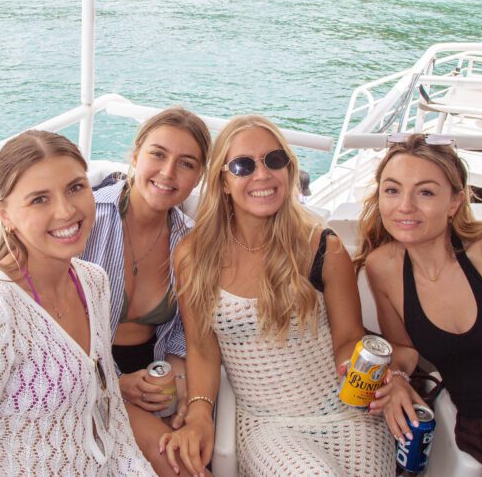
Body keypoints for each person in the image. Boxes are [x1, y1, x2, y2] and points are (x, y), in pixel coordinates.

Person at [159, 115, 395, 477]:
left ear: (288, 169)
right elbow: (202, 349)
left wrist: (375, 373)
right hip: (269, 424)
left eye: (274, 160)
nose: (262, 175)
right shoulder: (194, 255)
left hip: (347, 413)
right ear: (223, 181)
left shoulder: (323, 247)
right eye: (242, 165)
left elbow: (348, 338)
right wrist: (199, 413)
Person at [0, 130, 155, 476]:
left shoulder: (93, 282)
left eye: (76, 187)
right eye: (39, 199)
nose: (66, 211)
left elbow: (111, 419)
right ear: (5, 215)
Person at [356, 134, 482, 475]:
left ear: (454, 202)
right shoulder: (383, 268)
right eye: (392, 190)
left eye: (425, 192)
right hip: (478, 432)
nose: (405, 206)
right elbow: (404, 349)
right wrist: (397, 378)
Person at [82, 107, 211, 476]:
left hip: (151, 376)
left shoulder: (190, 243)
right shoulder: (89, 218)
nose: (168, 173)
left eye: (186, 164)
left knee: (186, 461)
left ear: (198, 176)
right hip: (84, 375)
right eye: (158, 154)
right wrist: (118, 385)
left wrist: (183, 386)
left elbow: (188, 334)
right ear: (136, 155)